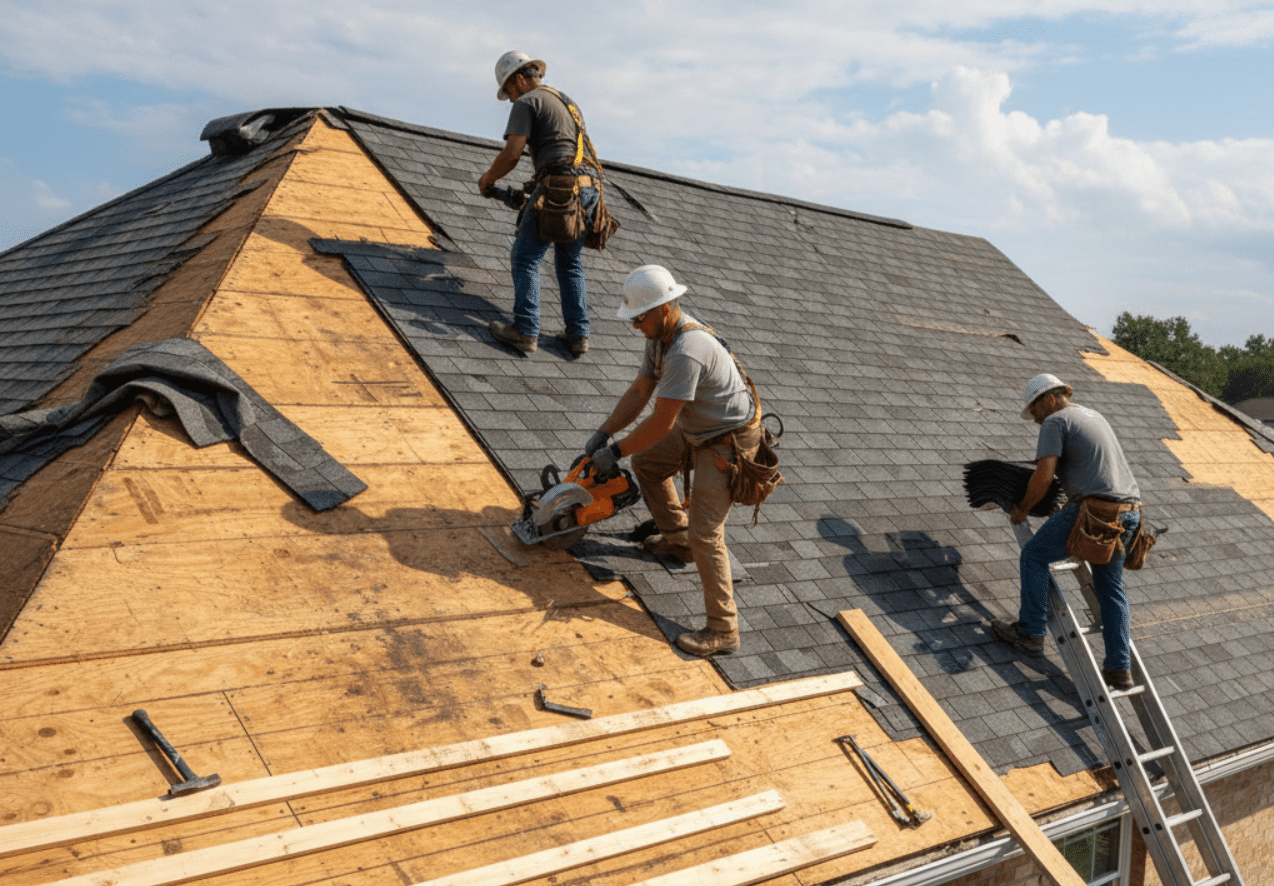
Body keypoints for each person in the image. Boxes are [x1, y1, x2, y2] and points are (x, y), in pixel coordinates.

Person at [586, 265, 760, 656]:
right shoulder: (660, 337)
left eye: (639, 317)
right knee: (647, 463)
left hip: (727, 443)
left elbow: (662, 420)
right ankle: (676, 540)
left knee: (707, 534)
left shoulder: (686, 351)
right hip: (699, 427)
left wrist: (613, 452)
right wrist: (604, 431)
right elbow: (640, 390)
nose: (635, 326)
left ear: (665, 308)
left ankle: (723, 630)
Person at [992, 373, 1142, 689]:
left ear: (1050, 398)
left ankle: (1030, 633)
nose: (1033, 418)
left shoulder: (1055, 422)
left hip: (1096, 512)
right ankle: (1119, 667)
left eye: (1034, 409)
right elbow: (1091, 468)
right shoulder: (1093, 416)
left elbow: (1044, 476)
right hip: (1130, 515)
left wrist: (1022, 508)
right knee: (1110, 589)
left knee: (1033, 555)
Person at [478, 50, 600, 357]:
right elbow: (565, 150)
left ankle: (525, 331)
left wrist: (487, 179)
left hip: (561, 186)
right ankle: (578, 335)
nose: (509, 100)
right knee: (569, 262)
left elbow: (512, 153)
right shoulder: (566, 101)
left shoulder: (526, 101)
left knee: (525, 257)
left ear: (519, 80)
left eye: (508, 92)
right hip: (590, 187)